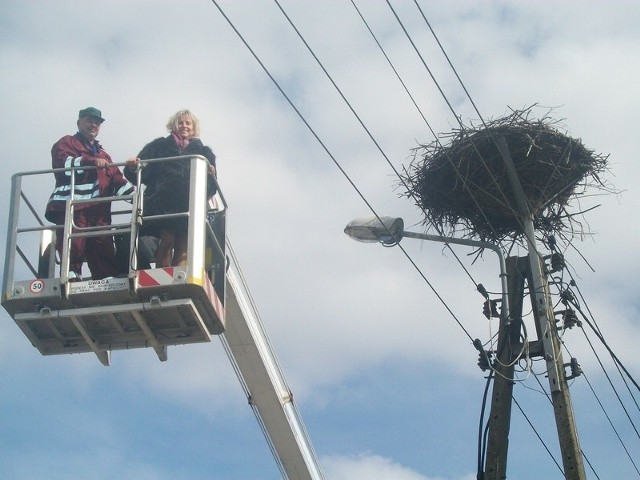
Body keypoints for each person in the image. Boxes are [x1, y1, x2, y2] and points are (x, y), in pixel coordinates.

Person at [45, 107, 135, 280]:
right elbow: (62, 163)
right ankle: (71, 272)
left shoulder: (104, 154)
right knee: (73, 240)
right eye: (89, 121)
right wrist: (90, 161)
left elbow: (117, 180)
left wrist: (137, 198)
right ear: (79, 123)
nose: (94, 125)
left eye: (97, 123)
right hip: (73, 204)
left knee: (101, 241)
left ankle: (104, 275)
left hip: (98, 208)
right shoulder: (67, 142)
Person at [125, 109, 217, 267]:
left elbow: (212, 186)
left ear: (194, 127)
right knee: (167, 240)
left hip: (189, 203)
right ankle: (163, 278)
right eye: (180, 122)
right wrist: (133, 167)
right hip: (164, 204)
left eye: (188, 123)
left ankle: (177, 281)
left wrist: (210, 175)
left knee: (182, 246)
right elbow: (141, 171)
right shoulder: (159, 146)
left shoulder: (204, 152)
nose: (184, 126)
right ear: (174, 125)